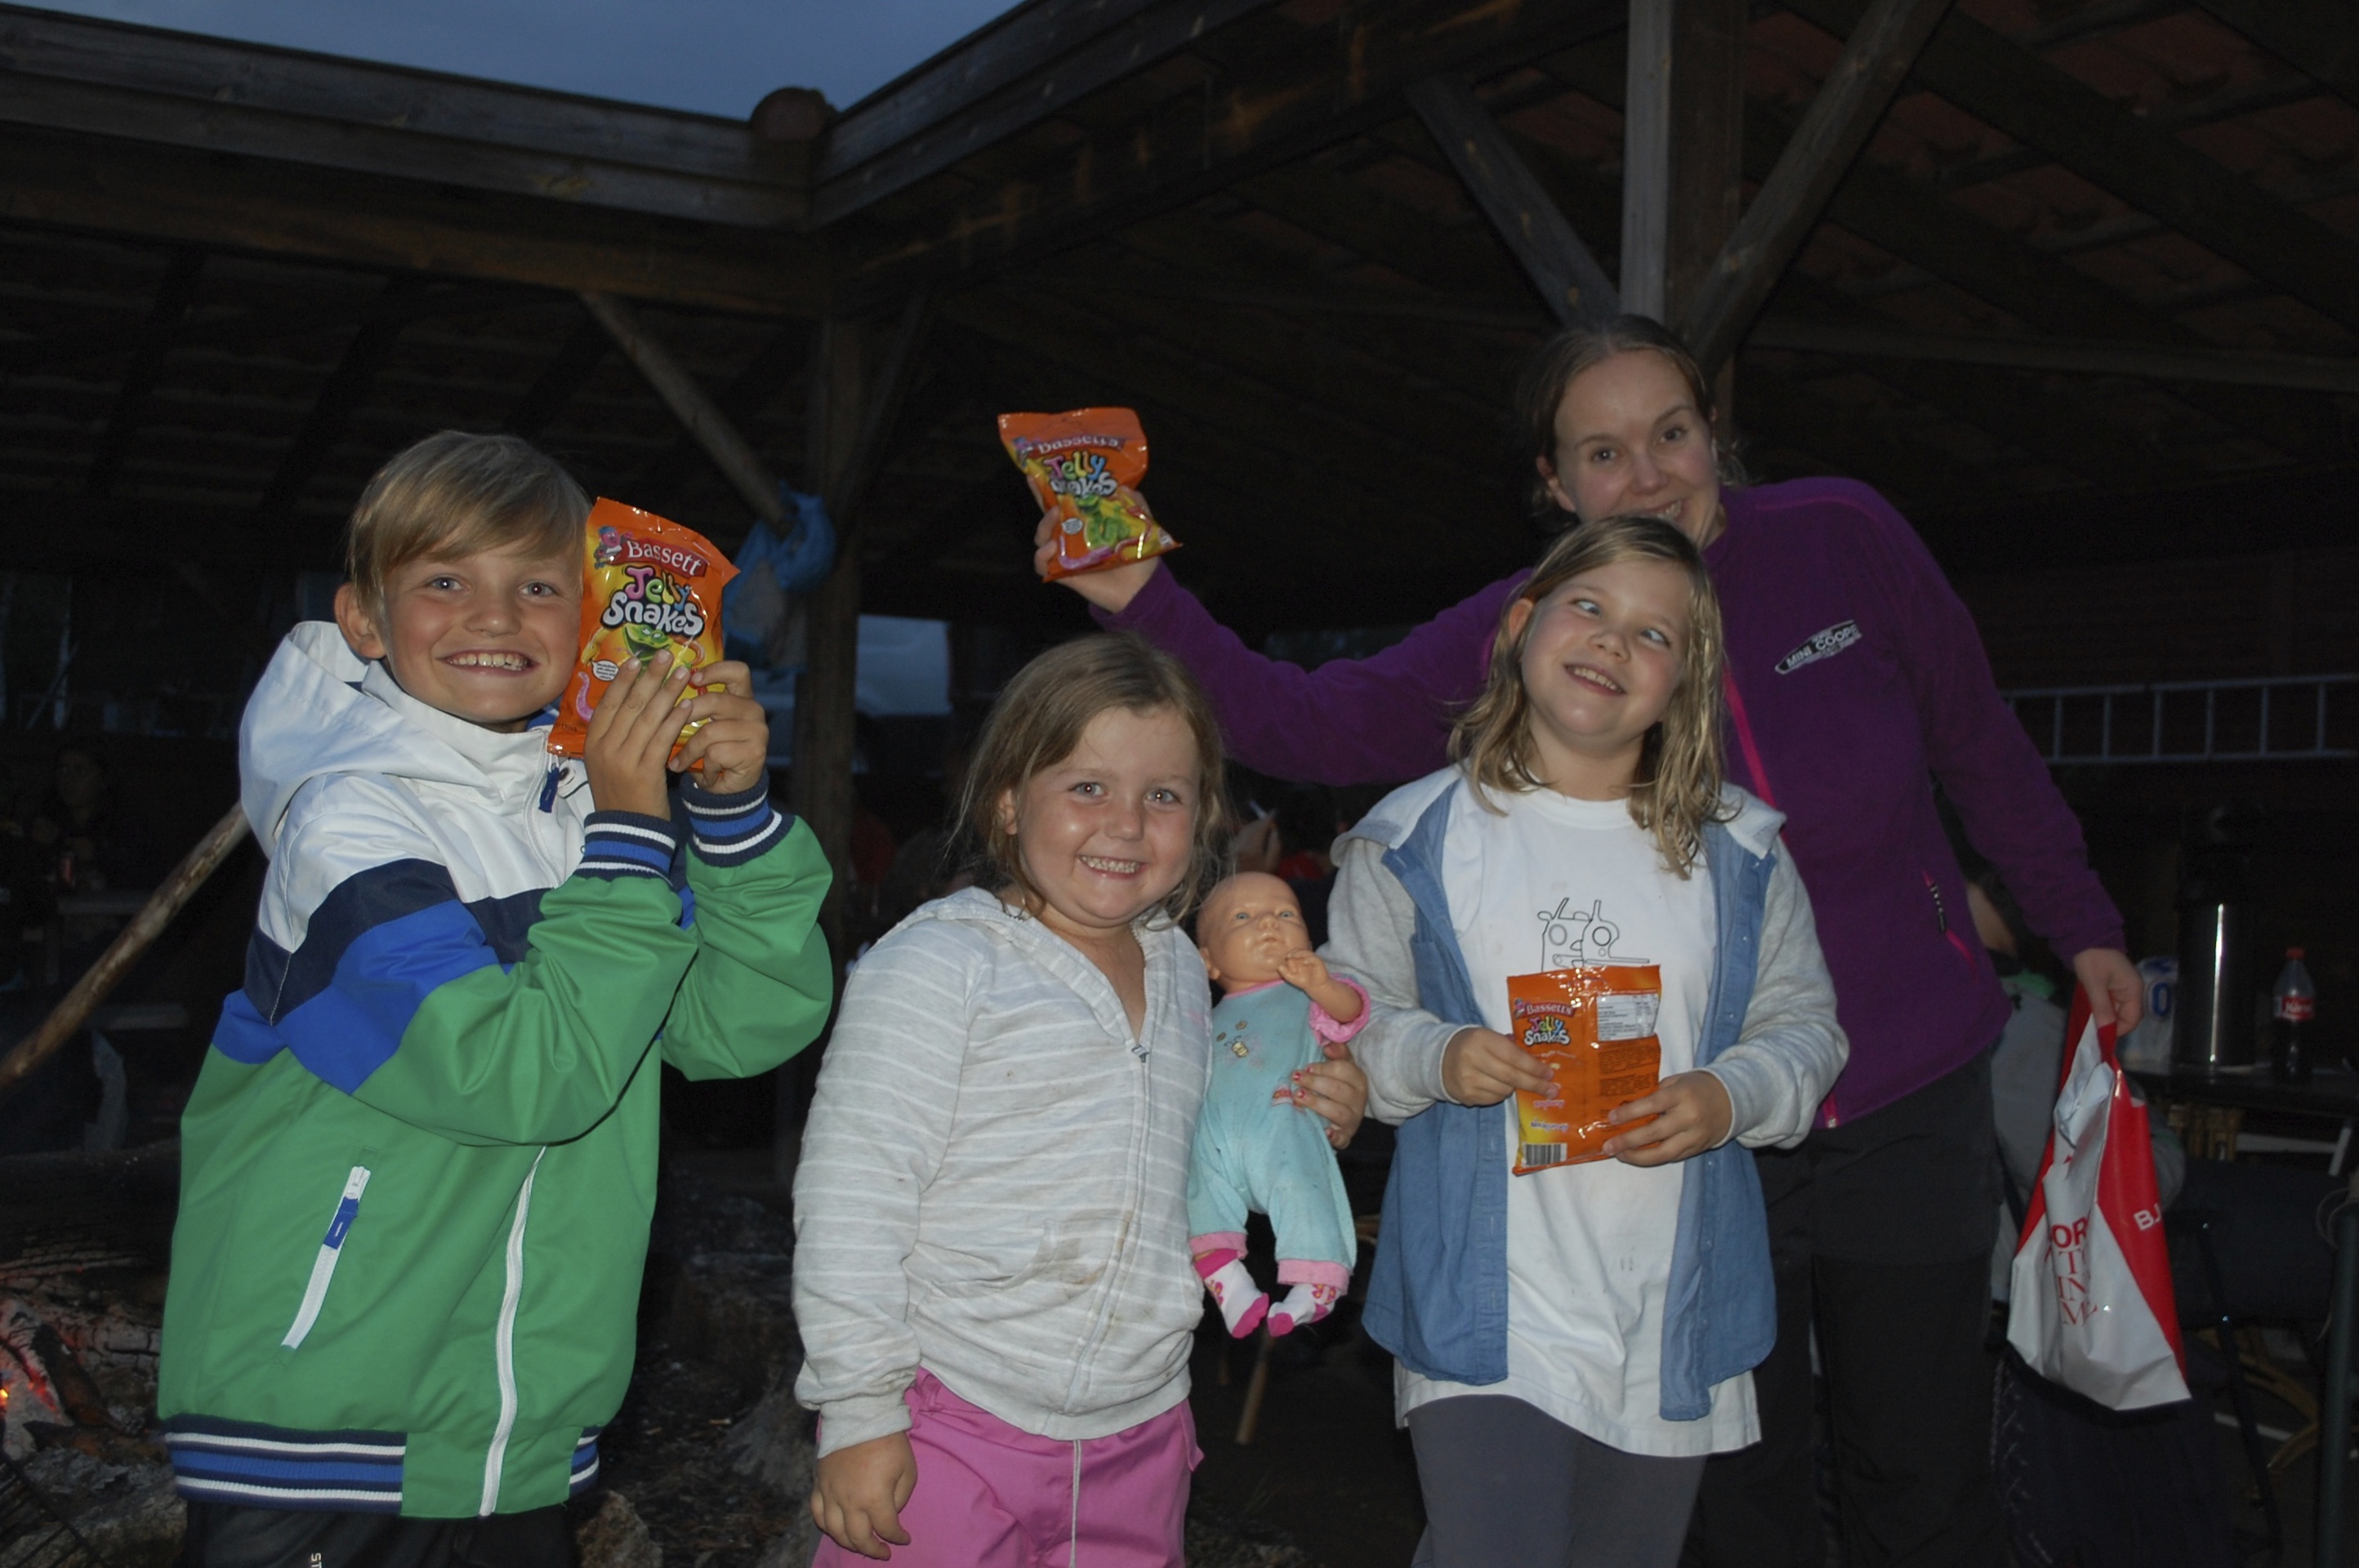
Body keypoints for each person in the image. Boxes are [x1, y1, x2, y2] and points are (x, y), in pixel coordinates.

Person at [1039, 314, 2140, 1568]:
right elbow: (1313, 723)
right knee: (1740, 1492)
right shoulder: (1543, 630)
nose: (1650, 475)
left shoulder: (1844, 535)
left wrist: (2081, 925)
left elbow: (1980, 741)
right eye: (1605, 454)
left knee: (1923, 1469)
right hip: (1688, 1138)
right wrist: (1139, 596)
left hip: (1904, 1080)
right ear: (1556, 486)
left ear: (1715, 435)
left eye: (1672, 434)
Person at [158, 432, 834, 1565]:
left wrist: (726, 816)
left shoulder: (581, 812)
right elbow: (513, 1076)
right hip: (320, 1418)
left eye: (538, 586)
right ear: (364, 620)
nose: (495, 616)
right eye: (444, 580)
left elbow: (737, 1026)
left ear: (592, 616)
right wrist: (631, 832)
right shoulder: (348, 818)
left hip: (512, 1426)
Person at [1326, 515, 1844, 1566]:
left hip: (1669, 1314)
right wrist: (1439, 1056)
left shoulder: (1740, 848)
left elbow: (1805, 1027)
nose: (1614, 641)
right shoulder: (1411, 836)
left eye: (1655, 634)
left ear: (1684, 680)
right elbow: (1349, 1017)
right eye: (1590, 607)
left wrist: (1729, 1096)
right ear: (1521, 623)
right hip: (1484, 1307)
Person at [791, 635, 1368, 1566]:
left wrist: (1314, 1105)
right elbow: (851, 1197)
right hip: (947, 1416)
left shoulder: (1187, 972)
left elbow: (1215, 1139)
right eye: (1088, 786)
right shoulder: (938, 964)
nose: (1126, 825)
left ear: (1202, 816)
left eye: (1164, 796)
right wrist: (859, 1409)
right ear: (1008, 799)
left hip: (1140, 1432)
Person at [1188, 871, 1367, 1339]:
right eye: (1243, 917)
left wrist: (1322, 985)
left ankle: (1315, 1283)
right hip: (1217, 1136)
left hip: (1281, 1119)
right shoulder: (1202, 1020)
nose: (1269, 922)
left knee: (1301, 1183)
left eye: (1286, 913)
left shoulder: (1306, 995)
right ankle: (1229, 1283)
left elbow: (1351, 1011)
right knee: (1192, 1181)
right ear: (1208, 961)